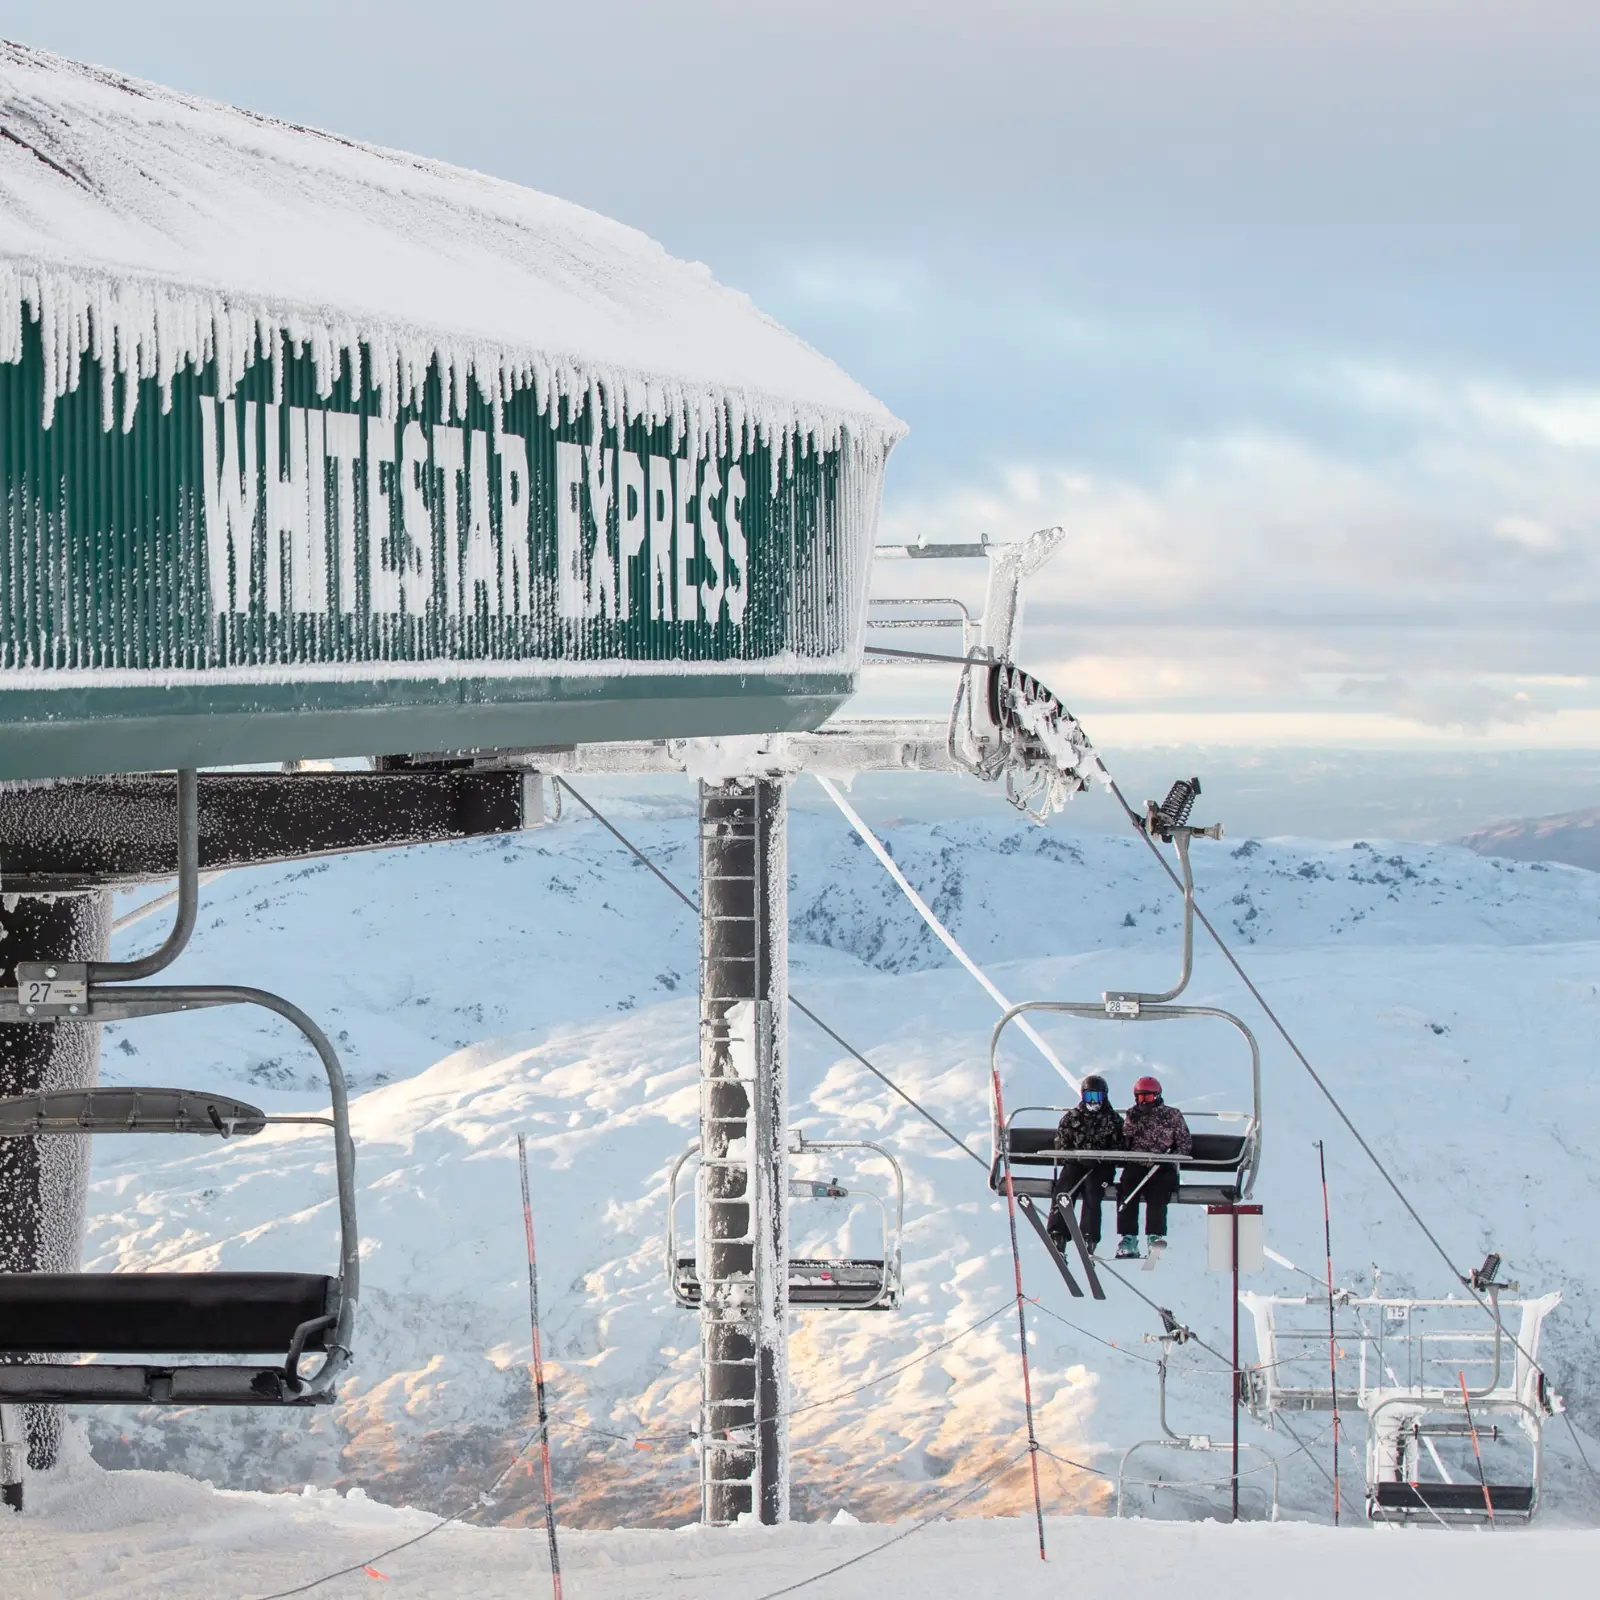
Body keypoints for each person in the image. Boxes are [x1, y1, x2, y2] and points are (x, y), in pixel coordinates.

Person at [1115, 1075, 1191, 1259]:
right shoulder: (1133, 1115)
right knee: (1127, 1188)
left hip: (1161, 1166)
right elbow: (1126, 1140)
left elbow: (1184, 1143)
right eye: (1140, 1097)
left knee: (1158, 1192)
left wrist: (1169, 1158)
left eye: (1147, 1097)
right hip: (1138, 1163)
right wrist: (1130, 1127)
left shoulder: (1172, 1115)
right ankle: (1129, 1238)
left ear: (1157, 1096)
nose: (1143, 1102)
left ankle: (1154, 1236)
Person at [1049, 1074, 1123, 1256]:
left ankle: (1088, 1236)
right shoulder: (1072, 1118)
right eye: (1089, 1097)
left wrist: (1103, 1158)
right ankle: (1058, 1233)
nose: (1093, 1102)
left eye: (1096, 1097)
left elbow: (1120, 1147)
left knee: (1093, 1190)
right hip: (1076, 1163)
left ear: (1104, 1096)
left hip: (1101, 1166)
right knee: (1065, 1187)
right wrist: (1075, 1157)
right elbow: (1063, 1143)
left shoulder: (1113, 1120)